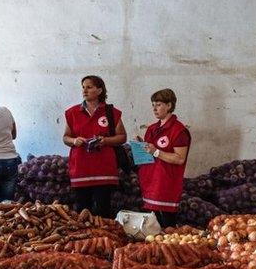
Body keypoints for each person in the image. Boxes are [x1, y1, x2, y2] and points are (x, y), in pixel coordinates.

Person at [63, 75, 127, 218]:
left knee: (103, 212)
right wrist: (74, 141)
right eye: (83, 87)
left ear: (99, 91)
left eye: (89, 87)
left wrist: (105, 141)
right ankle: (85, 240)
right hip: (80, 170)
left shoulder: (111, 113)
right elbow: (65, 137)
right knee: (82, 212)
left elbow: (122, 137)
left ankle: (105, 239)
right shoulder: (72, 113)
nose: (84, 90)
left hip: (104, 170)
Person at [137, 88, 191, 227]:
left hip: (166, 185)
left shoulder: (179, 131)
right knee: (151, 228)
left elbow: (180, 159)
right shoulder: (151, 129)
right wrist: (140, 146)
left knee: (167, 228)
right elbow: (148, 154)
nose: (154, 108)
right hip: (150, 183)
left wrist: (156, 152)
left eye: (159, 104)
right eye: (153, 105)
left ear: (169, 105)